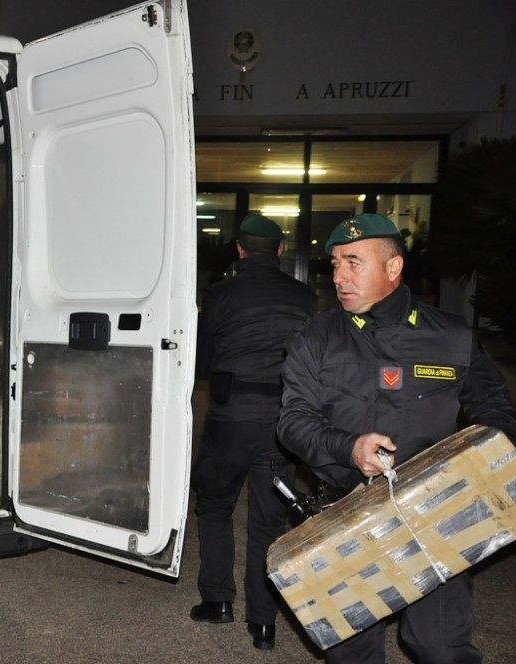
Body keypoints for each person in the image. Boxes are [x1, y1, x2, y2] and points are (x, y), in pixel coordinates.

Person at [277, 213, 516, 663]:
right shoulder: (316, 339)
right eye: (335, 264)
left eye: (353, 262)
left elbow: (496, 411)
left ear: (393, 267)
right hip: (348, 515)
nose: (339, 277)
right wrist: (348, 447)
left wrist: (482, 467)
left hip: (436, 514)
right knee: (353, 652)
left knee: (439, 646)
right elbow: (293, 422)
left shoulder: (450, 336)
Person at [190, 214, 316, 650]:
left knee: (214, 504)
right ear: (280, 251)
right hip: (282, 422)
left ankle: (218, 601)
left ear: (240, 250)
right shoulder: (304, 296)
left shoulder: (220, 295)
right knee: (268, 520)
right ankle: (263, 624)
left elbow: (202, 361)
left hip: (230, 419)